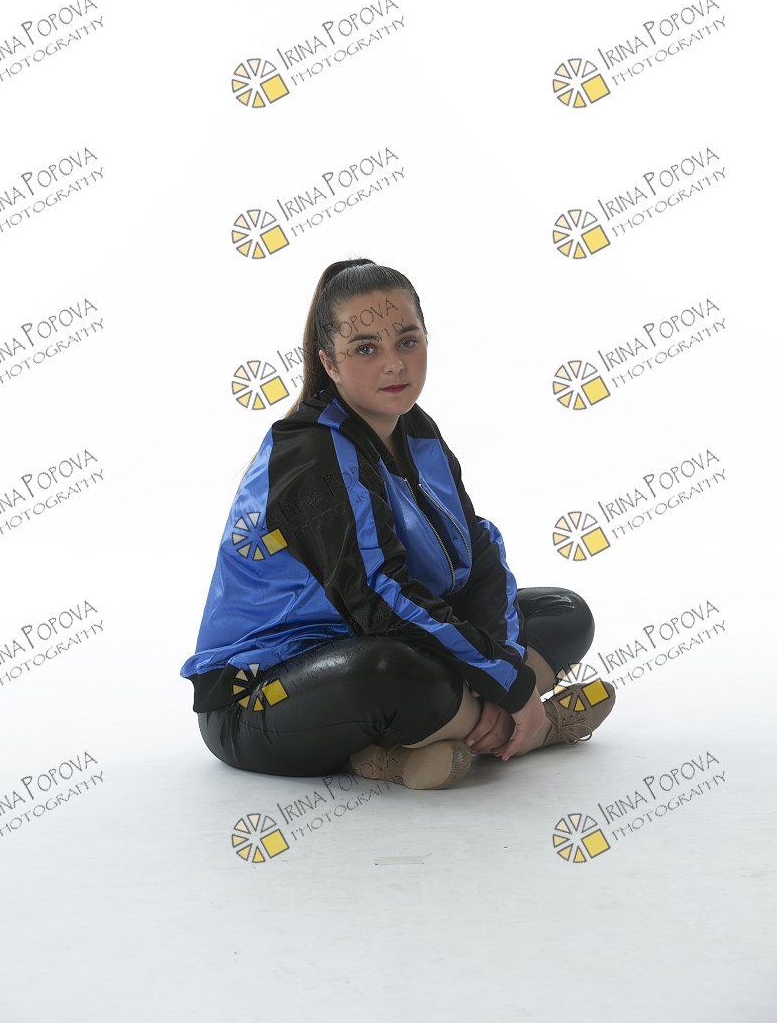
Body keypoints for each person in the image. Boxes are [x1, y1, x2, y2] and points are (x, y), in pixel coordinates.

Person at [180, 258, 616, 790]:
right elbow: (378, 595)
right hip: (263, 696)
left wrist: (503, 669)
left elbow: (477, 552)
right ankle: (528, 728)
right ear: (329, 363)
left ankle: (418, 741)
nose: (394, 364)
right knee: (391, 670)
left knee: (564, 613)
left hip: (377, 639)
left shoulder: (414, 429)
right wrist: (509, 684)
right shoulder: (310, 452)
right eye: (366, 349)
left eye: (407, 341)